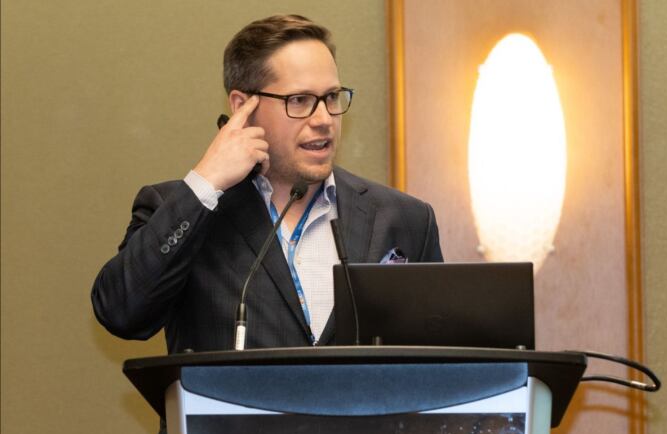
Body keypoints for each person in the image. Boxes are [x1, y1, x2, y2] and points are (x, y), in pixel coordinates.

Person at [91, 15, 442, 354]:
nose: (323, 120)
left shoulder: (405, 219)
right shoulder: (182, 208)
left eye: (332, 97)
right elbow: (122, 313)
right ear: (244, 106)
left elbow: (441, 359)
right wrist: (206, 183)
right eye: (299, 101)